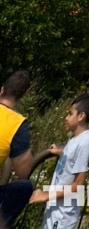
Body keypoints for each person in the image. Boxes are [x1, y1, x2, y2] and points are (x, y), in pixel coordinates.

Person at [28, 93, 89, 229]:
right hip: (56, 209)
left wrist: (46, 195)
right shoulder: (74, 138)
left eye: (70, 114)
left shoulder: (84, 142)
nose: (66, 118)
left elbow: (78, 183)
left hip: (63, 215)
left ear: (81, 116)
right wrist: (61, 152)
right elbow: (73, 158)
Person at [0, 70, 34, 229]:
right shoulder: (16, 124)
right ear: (23, 96)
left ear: (1, 90)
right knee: (25, 187)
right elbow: (23, 171)